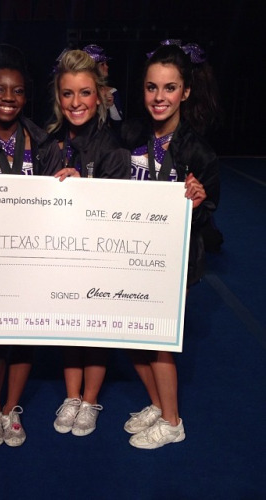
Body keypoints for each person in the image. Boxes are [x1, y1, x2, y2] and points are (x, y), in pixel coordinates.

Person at [0, 43, 62, 447]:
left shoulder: (44, 143)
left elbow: (60, 201)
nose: (8, 98)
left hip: (32, 257)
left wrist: (68, 181)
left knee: (24, 337)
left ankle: (10, 408)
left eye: (17, 91)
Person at [120, 42, 219, 449]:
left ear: (186, 92)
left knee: (157, 341)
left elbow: (209, 220)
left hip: (173, 263)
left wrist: (198, 203)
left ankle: (173, 422)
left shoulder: (199, 152)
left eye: (170, 88)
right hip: (129, 255)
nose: (159, 97)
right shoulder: (130, 135)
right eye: (151, 87)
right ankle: (159, 404)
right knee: (128, 337)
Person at [47, 49, 130, 436]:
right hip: (61, 250)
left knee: (95, 325)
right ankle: (71, 396)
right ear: (58, 97)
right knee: (69, 323)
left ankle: (90, 398)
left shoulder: (112, 147)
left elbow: (117, 211)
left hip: (98, 254)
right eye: (68, 94)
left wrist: (87, 188)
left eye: (84, 93)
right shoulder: (50, 140)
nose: (76, 102)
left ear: (99, 96)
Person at [82, 44, 123, 130]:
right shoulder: (81, 92)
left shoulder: (112, 92)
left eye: (106, 64)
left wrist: (111, 105)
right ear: (93, 68)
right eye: (102, 64)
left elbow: (118, 123)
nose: (107, 67)